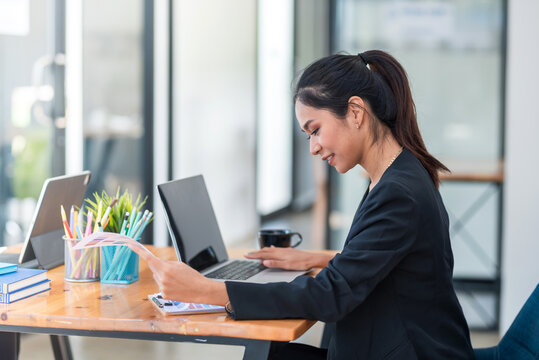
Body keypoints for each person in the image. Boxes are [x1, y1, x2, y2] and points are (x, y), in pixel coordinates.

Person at [130, 50, 475, 359]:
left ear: (355, 112)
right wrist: (320, 259)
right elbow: (393, 260)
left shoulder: (398, 191)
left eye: (315, 129)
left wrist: (207, 290)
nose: (312, 147)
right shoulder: (397, 174)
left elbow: (331, 296)